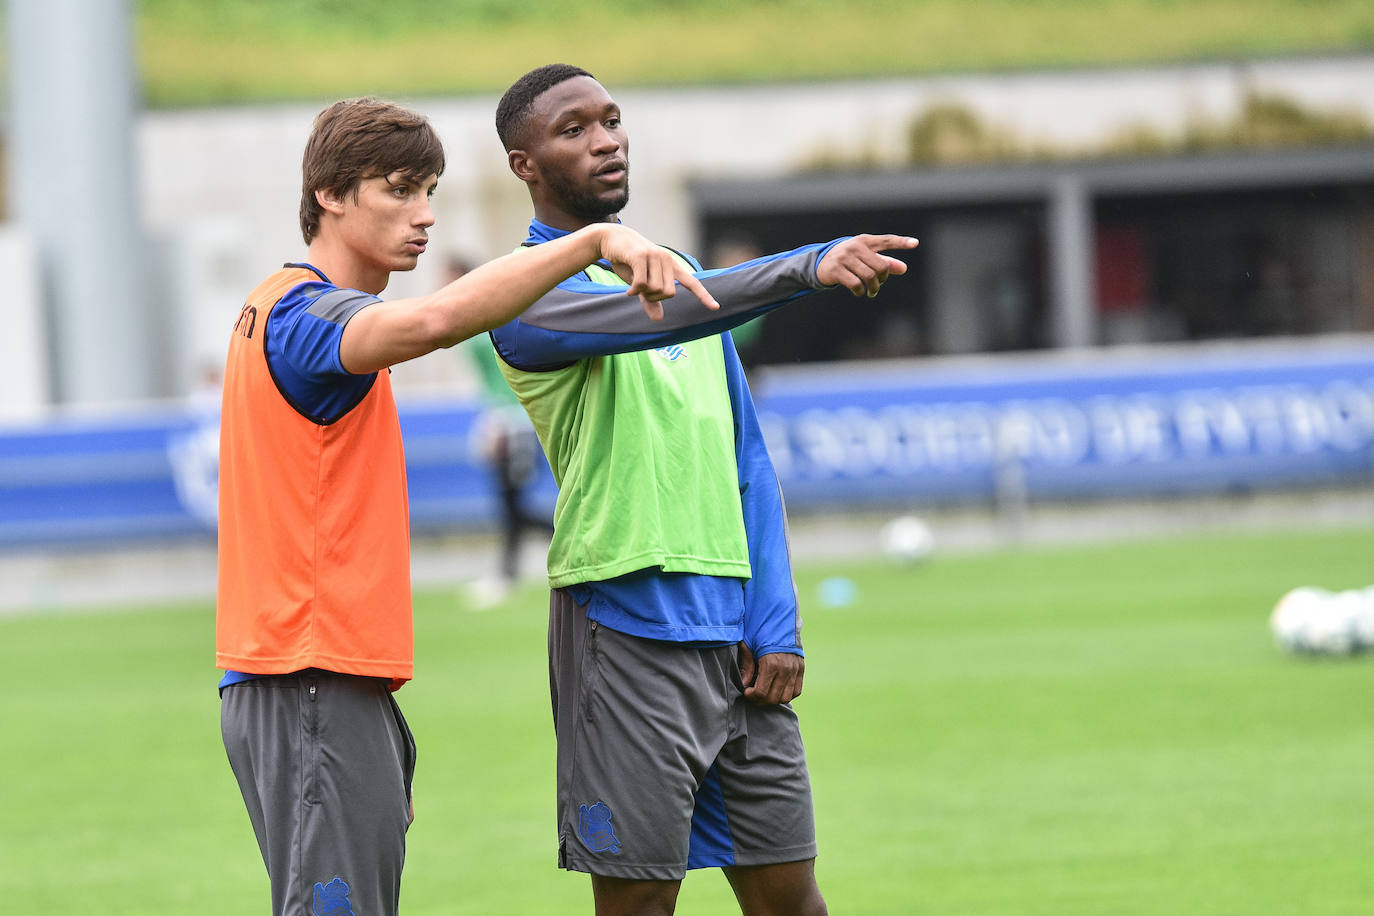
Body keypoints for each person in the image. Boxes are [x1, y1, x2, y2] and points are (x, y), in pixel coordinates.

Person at [214, 96, 718, 916]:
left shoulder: (273, 304)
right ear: (331, 196)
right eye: (399, 191)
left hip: (324, 679)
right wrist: (591, 242)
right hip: (304, 679)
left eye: (429, 191)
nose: (424, 216)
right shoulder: (305, 318)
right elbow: (441, 319)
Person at [490, 64, 917, 915]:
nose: (605, 139)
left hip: (734, 638)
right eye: (573, 130)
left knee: (792, 898)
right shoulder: (518, 296)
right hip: (623, 624)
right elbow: (670, 313)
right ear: (524, 164)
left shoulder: (681, 270)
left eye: (611, 120)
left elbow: (746, 459)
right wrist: (806, 266)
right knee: (643, 901)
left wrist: (774, 620)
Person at [447, 253, 556, 604]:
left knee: (513, 502)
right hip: (501, 420)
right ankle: (508, 572)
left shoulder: (486, 319)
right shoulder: (470, 321)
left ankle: (558, 543)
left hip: (514, 423)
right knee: (509, 502)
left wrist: (502, 422)